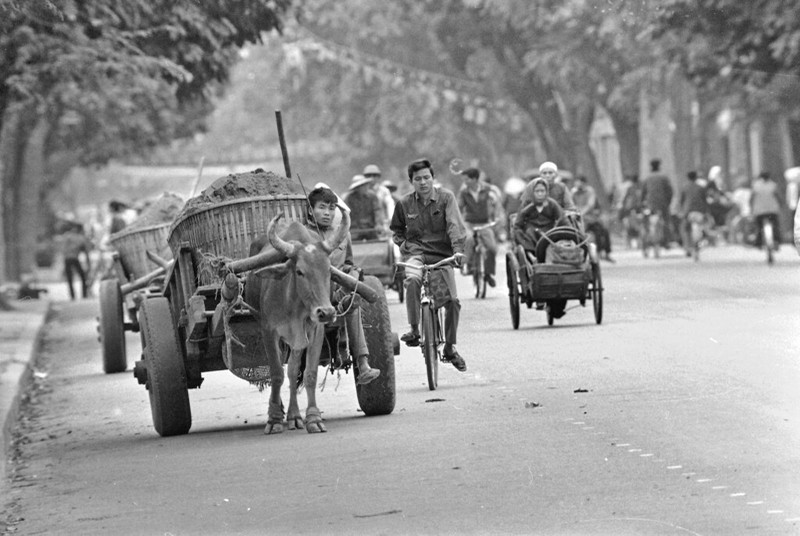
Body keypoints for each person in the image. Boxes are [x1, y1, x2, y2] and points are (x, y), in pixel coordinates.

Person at [390, 158, 467, 372]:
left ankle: (450, 348)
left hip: (442, 255)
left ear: (433, 179)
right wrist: (403, 244)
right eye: (418, 179)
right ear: (411, 182)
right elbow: (396, 230)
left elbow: (454, 224)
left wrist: (458, 250)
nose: (423, 182)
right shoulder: (404, 204)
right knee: (412, 280)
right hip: (416, 254)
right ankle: (415, 329)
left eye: (426, 178)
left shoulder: (446, 198)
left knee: (452, 301)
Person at [305, 186, 380, 385]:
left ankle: (363, 364)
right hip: (311, 296)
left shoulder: (342, 233)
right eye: (322, 208)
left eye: (331, 208)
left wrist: (353, 275)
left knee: (351, 304)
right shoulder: (303, 235)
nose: (328, 213)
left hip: (339, 292)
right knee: (348, 302)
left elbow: (348, 263)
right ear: (310, 209)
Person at [457, 167, 498, 287]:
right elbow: (459, 207)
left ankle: (488, 273)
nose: (465, 182)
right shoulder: (463, 192)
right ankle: (468, 264)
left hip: (485, 223)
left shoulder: (488, 189)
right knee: (468, 239)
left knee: (492, 248)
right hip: (469, 222)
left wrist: (496, 216)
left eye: (467, 179)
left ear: (474, 179)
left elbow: (496, 203)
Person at [512, 178, 564, 253]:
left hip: (549, 233)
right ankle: (531, 254)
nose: (540, 194)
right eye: (537, 191)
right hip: (530, 235)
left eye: (542, 191)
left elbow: (562, 219)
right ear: (532, 192)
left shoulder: (552, 204)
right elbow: (518, 225)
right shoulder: (526, 204)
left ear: (546, 192)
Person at [572, 175, 613, 262]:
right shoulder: (573, 192)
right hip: (577, 218)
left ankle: (604, 252)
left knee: (602, 231)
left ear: (583, 183)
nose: (577, 184)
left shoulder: (590, 191)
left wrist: (582, 213)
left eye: (578, 182)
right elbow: (571, 204)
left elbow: (590, 205)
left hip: (590, 218)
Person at [640, 158, 674, 246]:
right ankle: (666, 241)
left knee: (646, 220)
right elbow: (670, 191)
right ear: (659, 166)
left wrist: (641, 203)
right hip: (663, 204)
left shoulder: (647, 178)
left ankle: (646, 237)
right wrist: (668, 202)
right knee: (666, 221)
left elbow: (643, 193)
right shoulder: (664, 178)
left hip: (650, 204)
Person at [342, 174, 385, 240]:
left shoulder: (372, 196)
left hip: (371, 229)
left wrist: (378, 224)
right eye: (362, 186)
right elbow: (345, 214)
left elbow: (377, 210)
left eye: (366, 185)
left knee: (376, 244)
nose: (365, 187)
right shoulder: (349, 198)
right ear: (357, 188)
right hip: (355, 230)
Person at [58, 222, 92, 300]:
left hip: (67, 259)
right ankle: (84, 295)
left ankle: (73, 296)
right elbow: (86, 252)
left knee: (70, 278)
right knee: (82, 277)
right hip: (74, 259)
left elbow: (62, 249)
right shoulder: (80, 238)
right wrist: (88, 264)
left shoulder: (66, 236)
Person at [679, 171, 711, 255]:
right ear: (696, 178)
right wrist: (706, 212)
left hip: (688, 212)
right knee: (703, 227)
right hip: (700, 212)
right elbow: (705, 201)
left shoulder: (684, 188)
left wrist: (681, 210)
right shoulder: (701, 188)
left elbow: (681, 201)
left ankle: (687, 247)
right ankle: (702, 241)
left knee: (685, 229)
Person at [750, 171, 783, 249]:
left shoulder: (756, 185)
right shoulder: (773, 185)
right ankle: (777, 241)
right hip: (772, 210)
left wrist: (751, 207)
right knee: (775, 226)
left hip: (759, 211)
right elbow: (778, 197)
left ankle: (758, 242)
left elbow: (751, 198)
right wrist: (781, 205)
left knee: (759, 227)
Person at [363, 164, 395, 233]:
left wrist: (391, 219)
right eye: (369, 176)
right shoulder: (362, 192)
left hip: (382, 225)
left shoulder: (384, 191)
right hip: (366, 226)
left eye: (374, 176)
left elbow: (390, 204)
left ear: (378, 177)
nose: (371, 178)